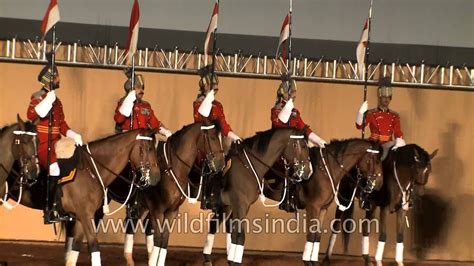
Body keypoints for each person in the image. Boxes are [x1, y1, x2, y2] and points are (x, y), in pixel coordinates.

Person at [26, 52, 83, 224]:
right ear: (49, 78)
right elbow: (31, 115)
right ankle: (49, 210)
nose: (59, 79)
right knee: (55, 170)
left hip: (56, 143)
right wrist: (47, 100)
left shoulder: (57, 101)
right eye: (57, 76)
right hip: (42, 145)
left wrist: (73, 134)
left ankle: (63, 202)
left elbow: (62, 124)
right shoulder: (38, 96)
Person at [271, 74, 327, 212]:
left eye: (295, 92)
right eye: (292, 92)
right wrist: (288, 104)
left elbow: (304, 129)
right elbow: (280, 122)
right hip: (280, 146)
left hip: (295, 147)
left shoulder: (295, 112)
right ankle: (287, 199)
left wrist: (319, 141)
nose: (294, 95)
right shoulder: (276, 109)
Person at [192, 65, 241, 210]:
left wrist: (235, 137)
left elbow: (224, 125)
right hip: (203, 139)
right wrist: (209, 97)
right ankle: (206, 195)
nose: (216, 87)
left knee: (231, 157)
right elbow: (201, 116)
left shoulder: (218, 105)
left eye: (216, 85)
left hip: (218, 140)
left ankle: (224, 191)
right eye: (212, 84)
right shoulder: (198, 103)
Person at [355, 76, 406, 209]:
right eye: (383, 98)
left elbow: (398, 133)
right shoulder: (372, 114)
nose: (385, 100)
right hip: (374, 144)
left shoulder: (395, 116)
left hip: (388, 145)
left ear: (390, 99)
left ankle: (403, 194)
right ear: (379, 98)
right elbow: (359, 126)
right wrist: (361, 113)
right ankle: (365, 194)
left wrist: (401, 145)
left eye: (388, 98)